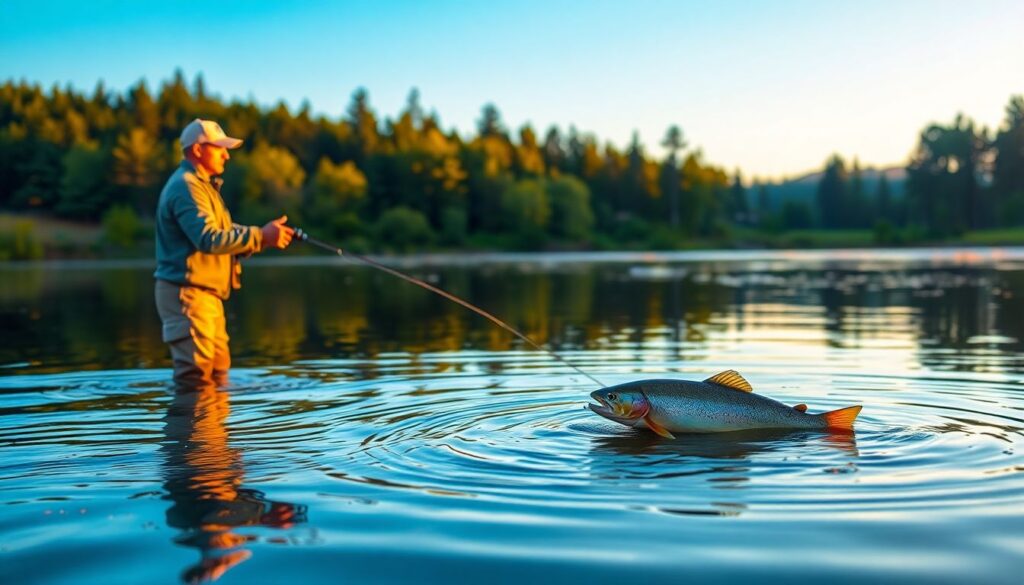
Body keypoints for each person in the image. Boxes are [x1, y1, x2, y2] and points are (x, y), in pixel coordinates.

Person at [154, 118, 294, 387]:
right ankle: (194, 430)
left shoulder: (202, 186)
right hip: (189, 296)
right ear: (197, 150)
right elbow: (209, 239)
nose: (226, 155)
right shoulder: (186, 186)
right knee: (196, 379)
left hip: (205, 298)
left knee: (217, 377)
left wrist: (263, 239)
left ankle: (213, 431)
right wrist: (260, 235)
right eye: (219, 148)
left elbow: (222, 231)